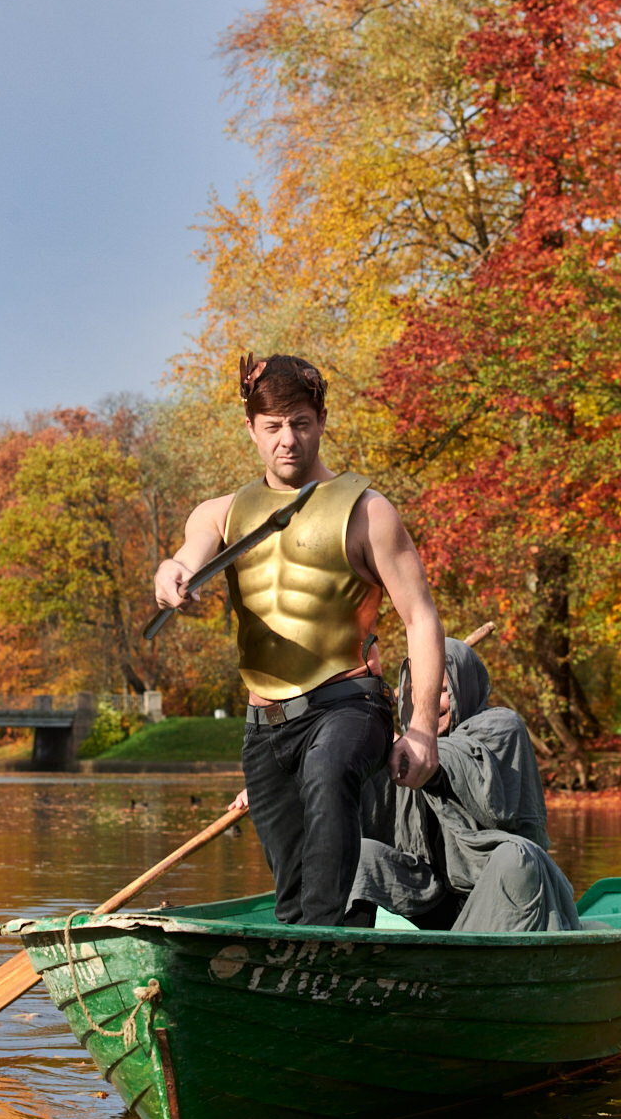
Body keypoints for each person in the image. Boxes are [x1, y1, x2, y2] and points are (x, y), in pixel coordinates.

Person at [153, 353, 445, 925]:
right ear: (251, 430)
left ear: (322, 420)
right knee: (294, 893)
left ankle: (323, 946)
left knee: (328, 777)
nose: (288, 440)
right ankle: (318, 950)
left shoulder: (368, 511)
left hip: (348, 704)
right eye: (273, 427)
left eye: (301, 423)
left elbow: (421, 620)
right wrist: (171, 573)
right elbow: (185, 558)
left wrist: (422, 728)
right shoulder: (219, 514)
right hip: (264, 726)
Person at [346, 636, 581, 932]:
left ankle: (481, 964)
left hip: (500, 894)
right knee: (358, 854)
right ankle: (344, 959)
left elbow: (452, 762)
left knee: (516, 857)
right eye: (415, 691)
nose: (425, 703)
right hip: (432, 894)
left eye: (441, 691)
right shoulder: (399, 749)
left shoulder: (502, 727)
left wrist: (393, 742)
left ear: (464, 688)